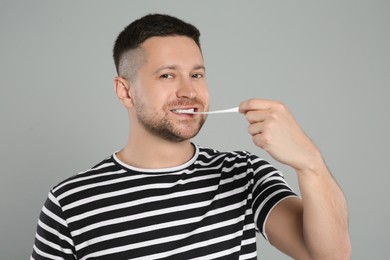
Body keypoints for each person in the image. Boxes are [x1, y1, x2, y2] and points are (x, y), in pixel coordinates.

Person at [31, 14, 351, 260]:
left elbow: (330, 256)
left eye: (196, 74)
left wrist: (309, 161)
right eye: (167, 75)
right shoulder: (69, 200)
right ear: (125, 91)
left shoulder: (243, 173)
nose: (189, 91)